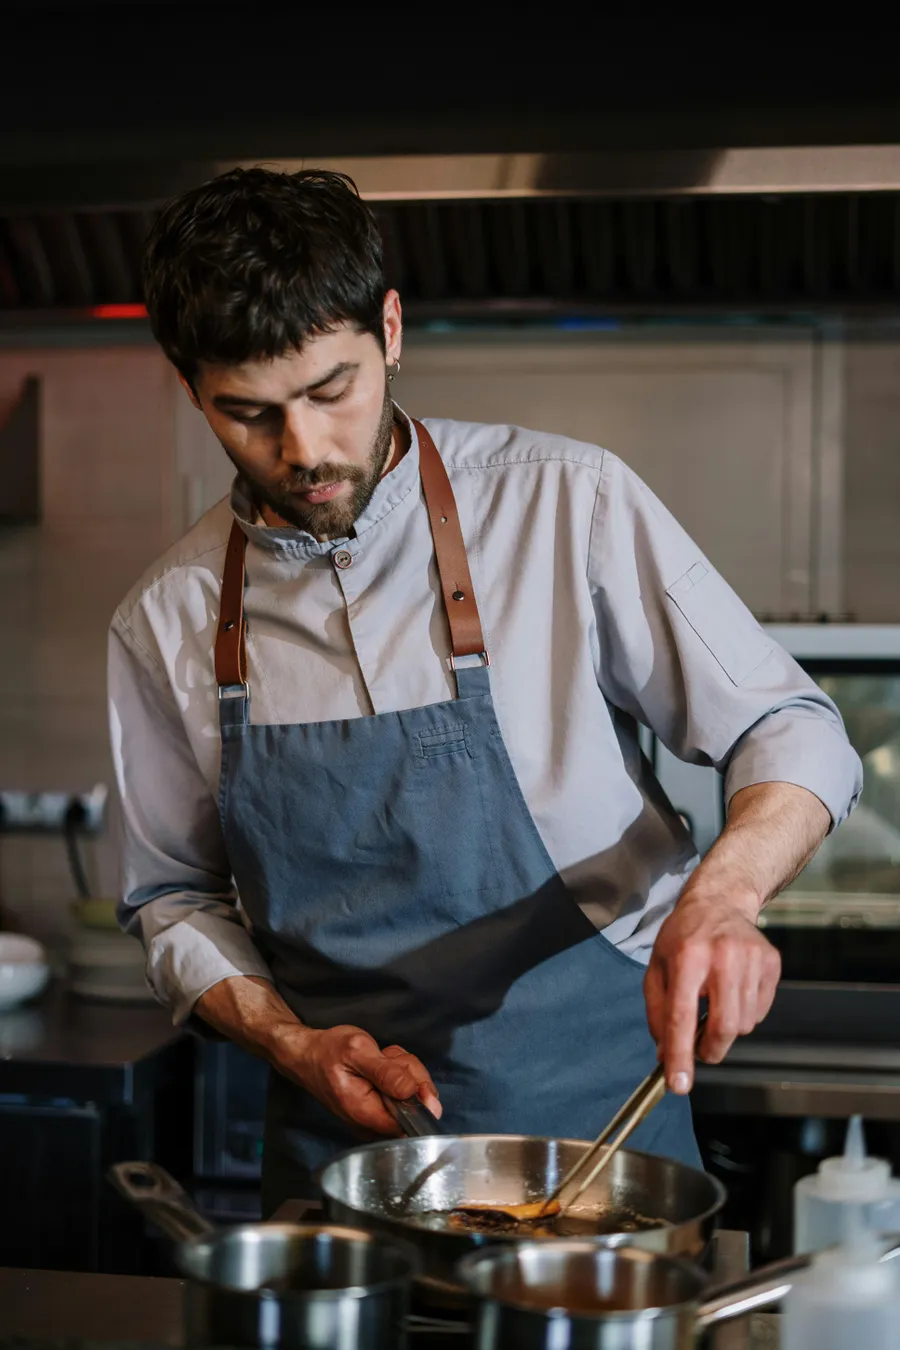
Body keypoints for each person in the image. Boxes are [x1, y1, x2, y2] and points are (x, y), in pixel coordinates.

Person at [109, 167, 862, 1212]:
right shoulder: (169, 618)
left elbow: (789, 727)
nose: (306, 451)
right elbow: (172, 894)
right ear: (191, 388)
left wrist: (727, 898)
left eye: (334, 390)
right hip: (346, 1178)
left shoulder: (566, 503)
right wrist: (287, 1041)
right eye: (249, 414)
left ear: (392, 329)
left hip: (601, 1140)